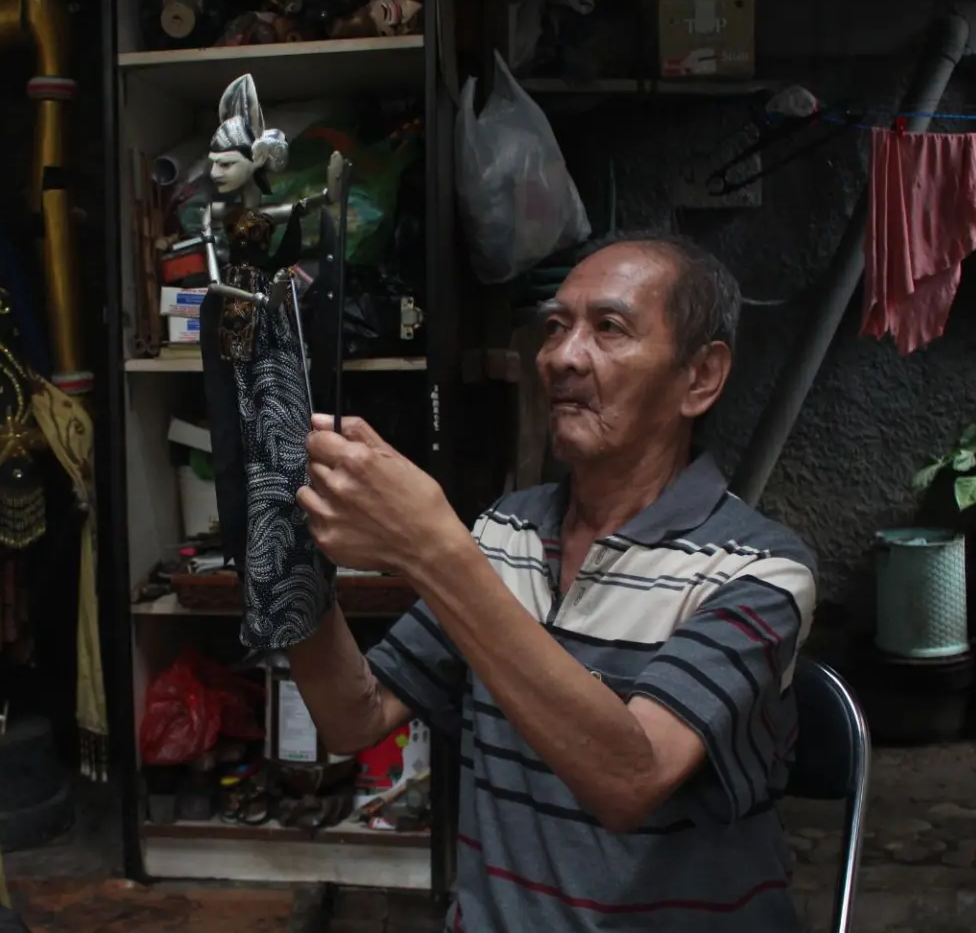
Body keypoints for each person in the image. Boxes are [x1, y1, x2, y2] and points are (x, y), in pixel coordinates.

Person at [290, 236, 817, 932]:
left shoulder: (759, 570)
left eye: (609, 328)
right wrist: (281, 553)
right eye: (555, 327)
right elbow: (351, 716)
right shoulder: (505, 534)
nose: (563, 357)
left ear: (701, 377)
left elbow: (632, 777)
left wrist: (434, 552)